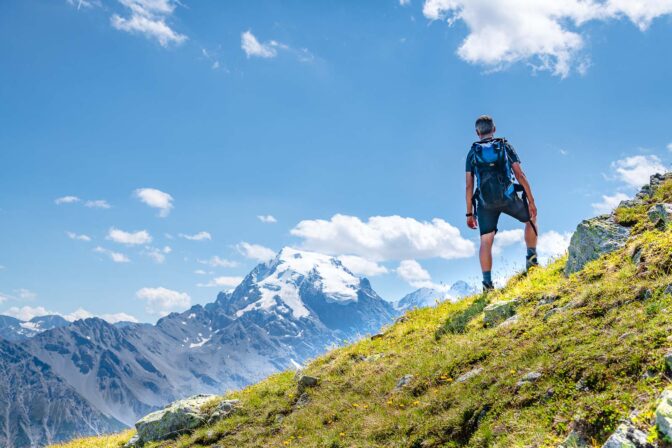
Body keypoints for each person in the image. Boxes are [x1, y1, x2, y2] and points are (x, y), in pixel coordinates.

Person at [465, 115, 538, 291]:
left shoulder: (472, 152)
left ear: (477, 132)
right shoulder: (504, 146)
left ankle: (487, 284)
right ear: (494, 129)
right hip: (509, 196)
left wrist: (469, 213)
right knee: (531, 220)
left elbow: (469, 185)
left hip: (485, 203)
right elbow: (520, 175)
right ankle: (532, 261)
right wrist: (531, 201)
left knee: (486, 241)